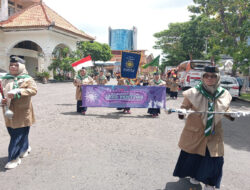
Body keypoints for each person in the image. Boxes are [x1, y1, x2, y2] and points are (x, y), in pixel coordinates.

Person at [173, 66, 235, 190]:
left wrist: (232, 114)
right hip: (195, 131)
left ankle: (210, 183)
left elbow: (226, 110)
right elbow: (184, 107)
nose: (209, 78)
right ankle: (194, 175)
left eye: (213, 76)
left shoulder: (225, 94)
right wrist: (181, 112)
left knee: (215, 158)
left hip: (214, 132)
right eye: (206, 76)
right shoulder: (192, 92)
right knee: (194, 156)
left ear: (218, 78)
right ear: (202, 77)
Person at [0, 56, 37, 169]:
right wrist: (2, 100)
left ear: (21, 66)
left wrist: (18, 92)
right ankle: (24, 148)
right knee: (15, 131)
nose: (13, 67)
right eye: (11, 65)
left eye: (16, 65)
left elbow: (33, 90)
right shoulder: (5, 78)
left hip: (22, 111)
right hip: (8, 111)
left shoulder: (27, 78)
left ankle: (14, 158)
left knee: (17, 134)